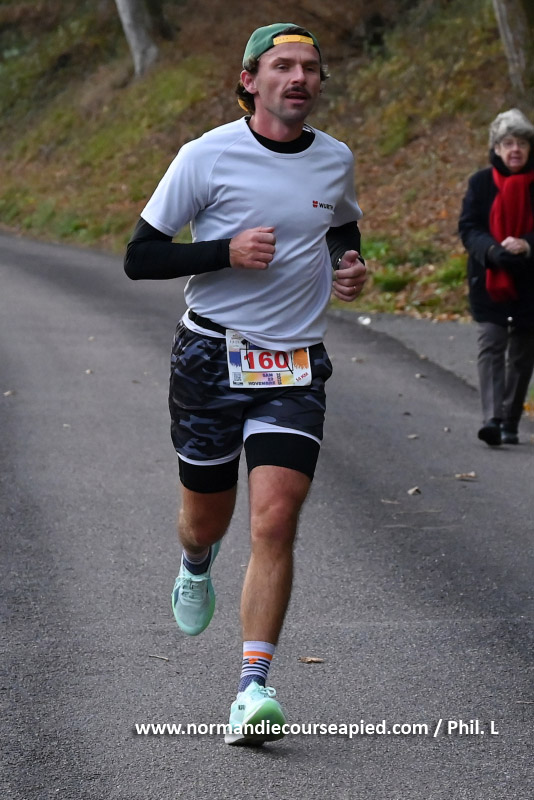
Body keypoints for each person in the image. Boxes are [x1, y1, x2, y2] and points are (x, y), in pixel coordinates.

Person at [124, 22, 366, 745]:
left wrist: (348, 263)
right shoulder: (206, 155)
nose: (299, 78)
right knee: (208, 519)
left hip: (294, 363)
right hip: (210, 357)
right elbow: (140, 257)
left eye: (310, 68)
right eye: (283, 66)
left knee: (275, 518)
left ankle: (252, 689)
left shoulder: (335, 160)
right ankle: (196, 562)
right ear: (250, 80)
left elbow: (341, 226)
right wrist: (223, 251)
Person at [459, 108, 534, 446]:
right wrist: (491, 251)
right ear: (497, 148)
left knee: (522, 354)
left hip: (529, 282)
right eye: (508, 143)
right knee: (491, 343)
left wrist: (526, 245)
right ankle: (492, 418)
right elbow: (469, 227)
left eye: (522, 143)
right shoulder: (481, 183)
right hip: (489, 277)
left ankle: (510, 420)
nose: (515, 149)